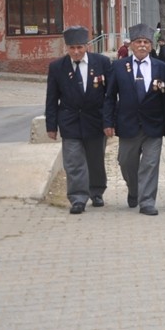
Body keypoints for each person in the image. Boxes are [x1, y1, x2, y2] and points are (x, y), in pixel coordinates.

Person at [103, 23, 165, 216]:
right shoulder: (118, 67)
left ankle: (147, 201)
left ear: (151, 45)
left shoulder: (161, 68)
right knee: (126, 162)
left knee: (150, 164)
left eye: (146, 42)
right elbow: (109, 97)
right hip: (127, 124)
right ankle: (133, 189)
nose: (142, 45)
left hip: (153, 125)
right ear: (131, 45)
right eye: (138, 42)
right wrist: (108, 122)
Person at [45, 26, 111, 214]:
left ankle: (97, 191)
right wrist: (51, 125)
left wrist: (109, 122)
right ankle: (77, 198)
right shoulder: (57, 67)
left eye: (79, 48)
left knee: (95, 160)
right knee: (73, 161)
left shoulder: (102, 63)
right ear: (67, 48)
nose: (76, 52)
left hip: (95, 120)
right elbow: (51, 98)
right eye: (72, 48)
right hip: (70, 120)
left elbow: (110, 96)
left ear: (87, 46)